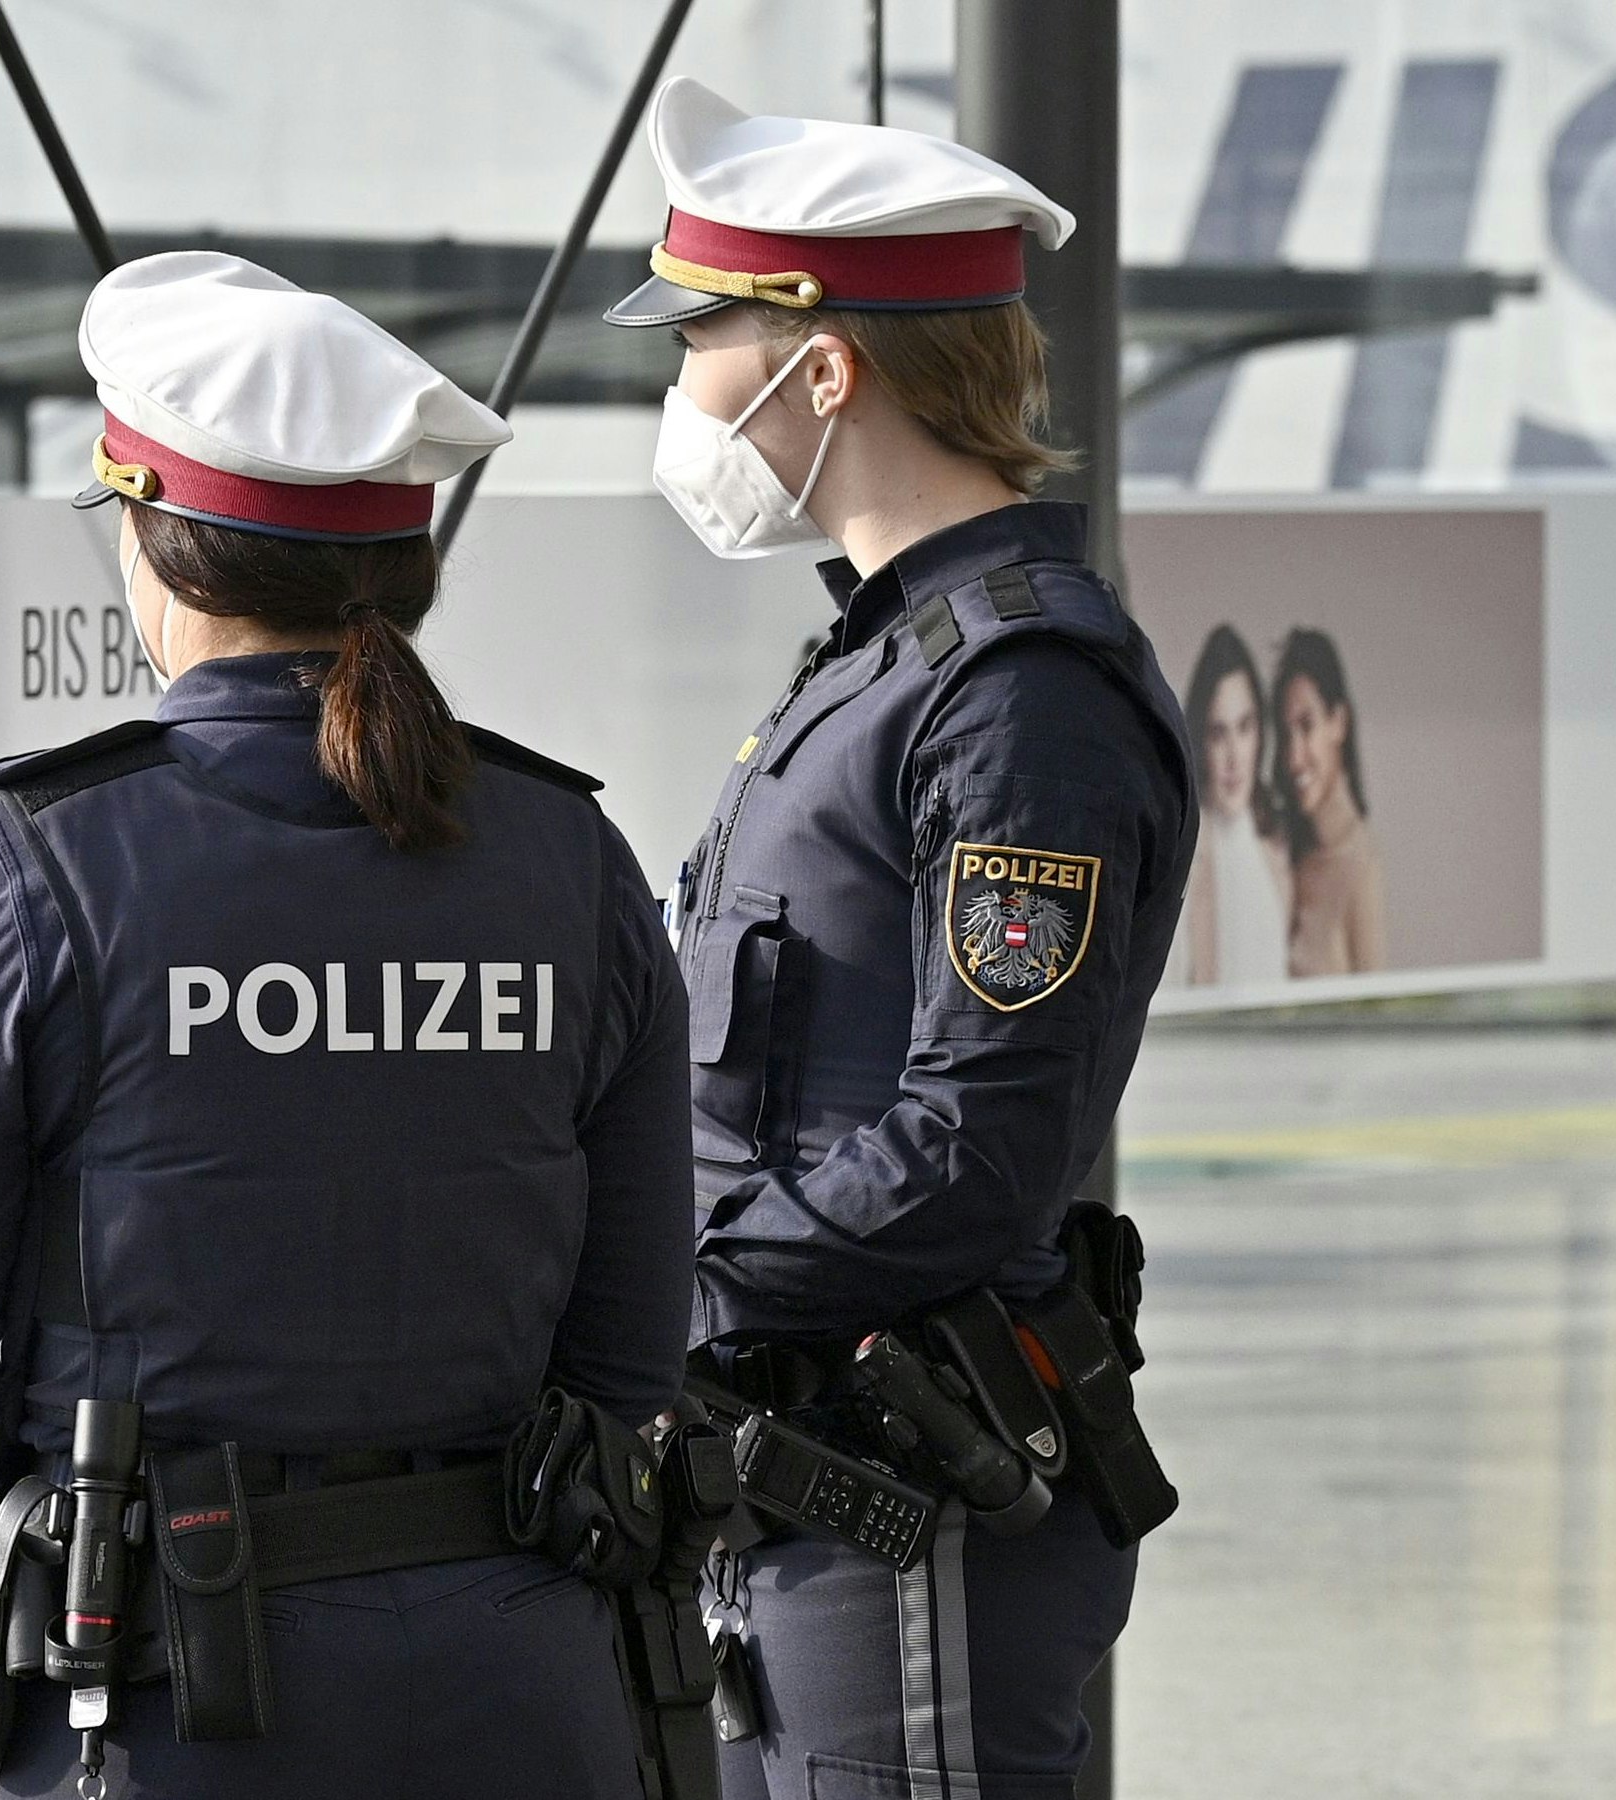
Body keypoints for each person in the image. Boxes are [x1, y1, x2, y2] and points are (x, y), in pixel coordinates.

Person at [0, 251, 692, 1800]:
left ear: (154, 544)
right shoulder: (571, 854)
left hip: (169, 1683)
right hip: (522, 1680)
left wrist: (40, 1522)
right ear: (406, 566)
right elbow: (633, 1340)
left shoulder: (37, 857)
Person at [600, 79, 1195, 1799]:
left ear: (824, 368)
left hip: (905, 1511)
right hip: (799, 1497)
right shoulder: (888, 664)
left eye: (699, 338)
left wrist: (674, 1293)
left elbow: (978, 1146)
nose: (680, 388)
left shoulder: (1018, 695)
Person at [1177, 624, 1290, 985]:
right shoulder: (1187, 850)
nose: (1234, 756)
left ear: (1260, 731)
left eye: (1244, 727)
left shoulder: (1277, 841)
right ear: (1200, 739)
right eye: (1218, 732)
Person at [1272, 628, 1385, 976]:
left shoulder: (1361, 867)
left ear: (1338, 722)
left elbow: (1375, 1003)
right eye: (1286, 734)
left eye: (1307, 726)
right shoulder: (1287, 851)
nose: (1294, 758)